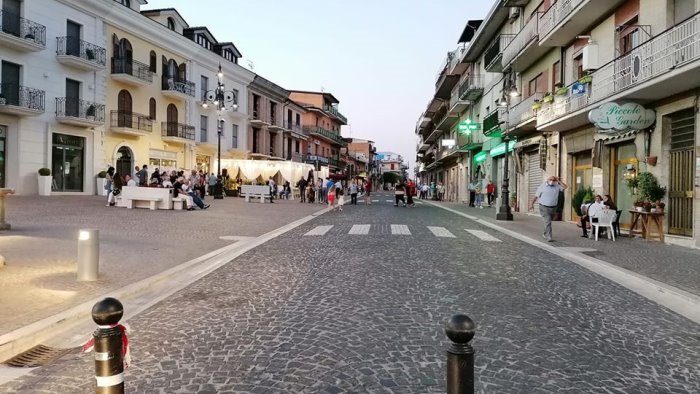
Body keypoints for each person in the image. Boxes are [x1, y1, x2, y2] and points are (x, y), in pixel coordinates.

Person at [530, 176, 568, 242]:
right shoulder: (542, 186)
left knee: (547, 221)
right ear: (547, 180)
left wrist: (558, 181)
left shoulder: (557, 186)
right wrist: (531, 204)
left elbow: (565, 187)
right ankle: (549, 236)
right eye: (550, 179)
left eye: (553, 180)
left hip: (553, 208)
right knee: (548, 221)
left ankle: (545, 233)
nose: (552, 181)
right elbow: (536, 196)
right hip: (543, 207)